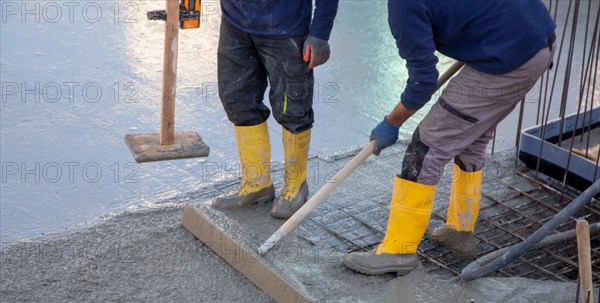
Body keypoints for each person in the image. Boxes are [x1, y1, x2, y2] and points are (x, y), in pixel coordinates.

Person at [344, 0, 556, 275]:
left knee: (427, 146)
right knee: (471, 137)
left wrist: (391, 122)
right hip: (536, 39)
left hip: (510, 57)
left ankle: (398, 250)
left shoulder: (403, 6)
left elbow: (422, 81)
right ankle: (459, 231)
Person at [211, 0, 339, 219]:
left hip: (286, 29)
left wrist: (320, 33)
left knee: (293, 109)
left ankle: (295, 186)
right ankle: (256, 183)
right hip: (234, 23)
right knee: (238, 101)